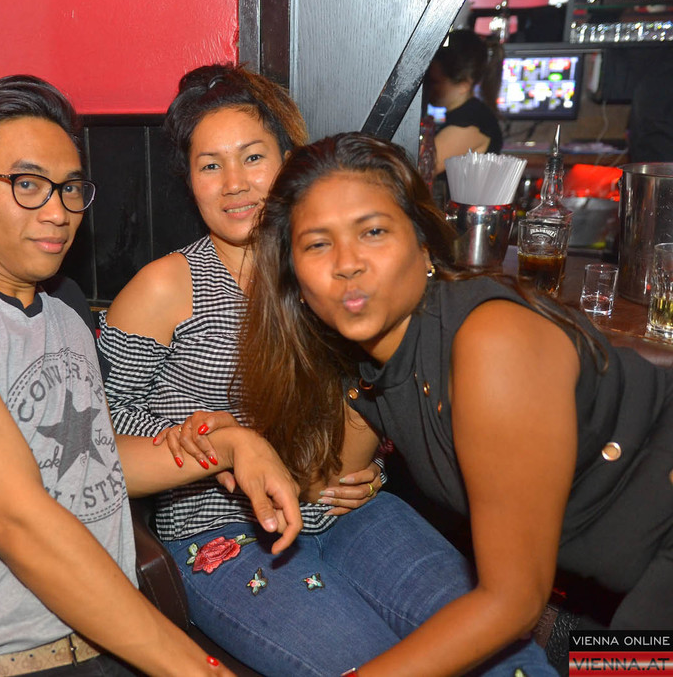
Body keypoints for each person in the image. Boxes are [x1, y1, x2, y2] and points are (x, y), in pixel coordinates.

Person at [100, 65, 553, 676]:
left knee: (505, 654)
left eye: (252, 157)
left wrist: (371, 464)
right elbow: (98, 436)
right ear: (189, 180)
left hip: (349, 513)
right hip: (223, 532)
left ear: (288, 161)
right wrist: (202, 441)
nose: (234, 184)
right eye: (210, 165)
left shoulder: (329, 268)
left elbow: (373, 395)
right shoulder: (165, 287)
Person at [0, 75, 301, 677]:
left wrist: (234, 444)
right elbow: (15, 520)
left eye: (69, 188)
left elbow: (97, 462)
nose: (58, 212)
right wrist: (195, 668)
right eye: (27, 185)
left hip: (110, 646)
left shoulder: (64, 309)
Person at [237, 130, 673, 675]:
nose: (347, 263)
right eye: (317, 244)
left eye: (373, 231)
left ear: (424, 245)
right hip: (609, 580)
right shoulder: (369, 363)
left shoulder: (491, 343)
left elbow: (512, 601)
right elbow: (325, 483)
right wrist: (234, 442)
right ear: (295, 279)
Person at [425, 29, 504, 175]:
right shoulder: (469, 115)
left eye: (435, 82)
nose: (427, 88)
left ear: (464, 85)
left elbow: (418, 170)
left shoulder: (469, 124)